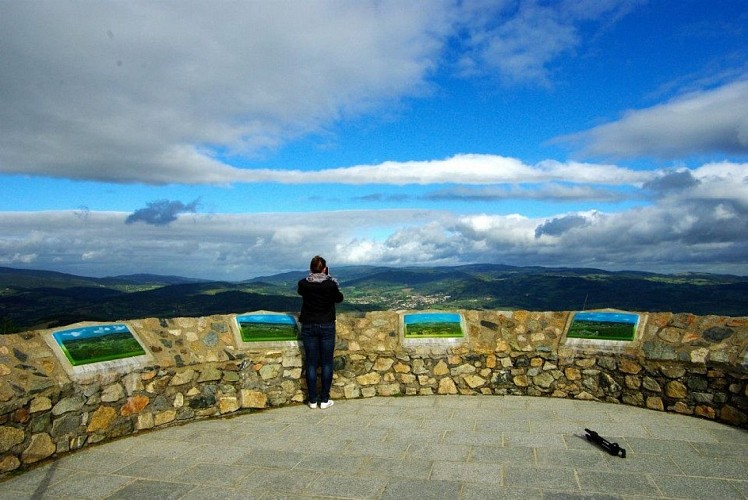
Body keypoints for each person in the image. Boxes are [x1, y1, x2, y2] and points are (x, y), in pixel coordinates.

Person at [297, 255, 344, 409]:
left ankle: (312, 400)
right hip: (326, 325)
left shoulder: (303, 283)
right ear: (325, 268)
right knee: (326, 362)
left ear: (311, 269)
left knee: (311, 362)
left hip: (309, 325)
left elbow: (301, 291)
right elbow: (339, 299)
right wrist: (328, 278)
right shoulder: (330, 284)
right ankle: (324, 399)